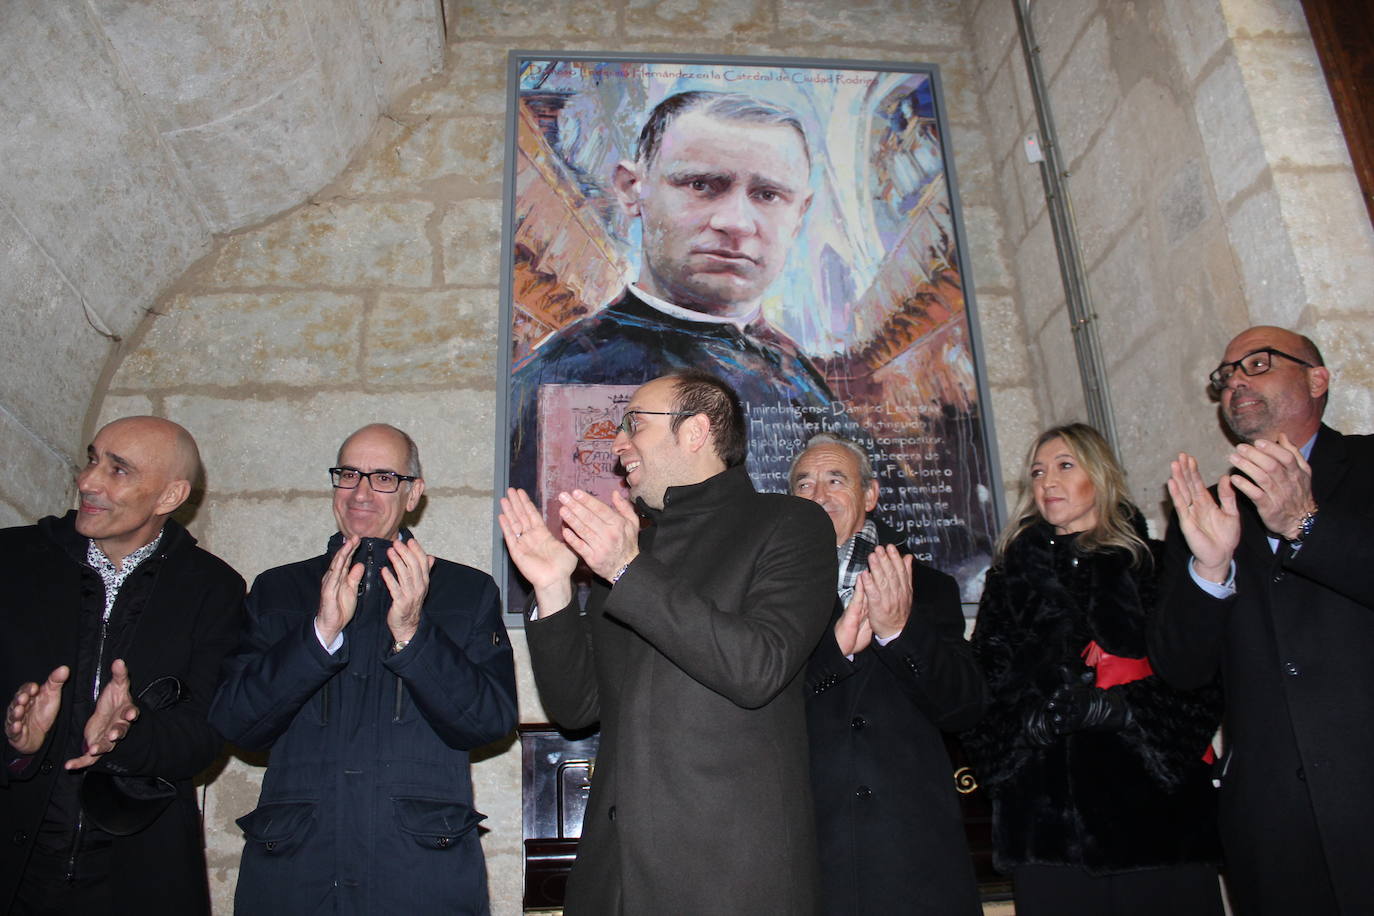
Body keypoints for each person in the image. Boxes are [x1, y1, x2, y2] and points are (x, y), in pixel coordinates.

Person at [499, 370, 836, 914]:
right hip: (615, 878)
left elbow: (758, 668)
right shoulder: (634, 551)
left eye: (635, 423)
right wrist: (554, 589)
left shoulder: (789, 524)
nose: (618, 442)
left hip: (731, 875)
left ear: (697, 430)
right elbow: (576, 708)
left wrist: (628, 571)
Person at [209, 424, 517, 915]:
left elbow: (488, 722)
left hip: (417, 874)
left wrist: (414, 634)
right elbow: (237, 725)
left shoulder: (465, 591)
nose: (361, 491)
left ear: (414, 492)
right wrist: (319, 635)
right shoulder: (277, 591)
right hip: (297, 871)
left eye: (384, 477)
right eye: (349, 474)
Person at [508, 90, 846, 510]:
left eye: (768, 195)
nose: (735, 223)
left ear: (800, 212)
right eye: (701, 185)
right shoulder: (558, 375)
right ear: (632, 190)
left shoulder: (802, 375)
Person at [1151, 326, 1374, 914]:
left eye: (1258, 363)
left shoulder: (1371, 465)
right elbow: (1180, 669)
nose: (1236, 381)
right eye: (1226, 375)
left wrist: (1307, 523)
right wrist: (1210, 570)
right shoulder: (1208, 509)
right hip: (1271, 823)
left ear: (1318, 378)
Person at [963, 423, 1223, 916]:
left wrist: (1122, 712)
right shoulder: (1009, 581)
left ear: (1099, 476)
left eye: (1064, 466)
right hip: (1045, 829)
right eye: (1037, 472)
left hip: (1158, 822)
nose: (1047, 482)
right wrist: (1025, 726)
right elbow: (980, 690)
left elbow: (1204, 679)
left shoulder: (1156, 564)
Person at [1, 416, 245, 915]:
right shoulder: (11, 560)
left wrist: (128, 735)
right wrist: (14, 742)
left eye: (118, 470)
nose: (88, 481)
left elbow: (205, 737)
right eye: (93, 459)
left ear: (169, 496)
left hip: (133, 872)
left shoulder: (213, 589)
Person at [790, 433, 985, 915]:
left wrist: (899, 632)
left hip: (912, 850)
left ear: (870, 496)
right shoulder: (767, 594)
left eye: (836, 480)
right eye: (804, 484)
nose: (818, 494)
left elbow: (965, 705)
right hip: (810, 848)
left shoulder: (928, 587)